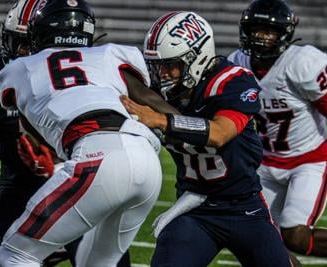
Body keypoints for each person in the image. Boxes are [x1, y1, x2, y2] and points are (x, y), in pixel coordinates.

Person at [0, 0, 173, 265]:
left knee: (14, 254)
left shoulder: (20, 69)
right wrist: (194, 128)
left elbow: (34, 128)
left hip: (98, 158)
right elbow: (156, 103)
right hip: (147, 161)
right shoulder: (109, 55)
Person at [121, 11, 292, 267]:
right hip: (195, 208)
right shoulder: (157, 91)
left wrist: (161, 120)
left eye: (170, 65)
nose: (162, 74)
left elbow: (219, 133)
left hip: (245, 208)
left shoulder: (233, 81)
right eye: (158, 66)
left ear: (197, 58)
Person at [227, 0, 327, 266]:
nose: (261, 37)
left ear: (285, 35)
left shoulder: (301, 65)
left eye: (269, 31)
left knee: (294, 235)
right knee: (255, 237)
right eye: (256, 29)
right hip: (266, 163)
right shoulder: (237, 64)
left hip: (308, 160)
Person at [0, 0, 81, 266]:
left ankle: (53, 246)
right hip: (17, 183)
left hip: (71, 184)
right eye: (17, 41)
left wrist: (55, 166)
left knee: (97, 257)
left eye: (30, 43)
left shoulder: (69, 76)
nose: (22, 51)